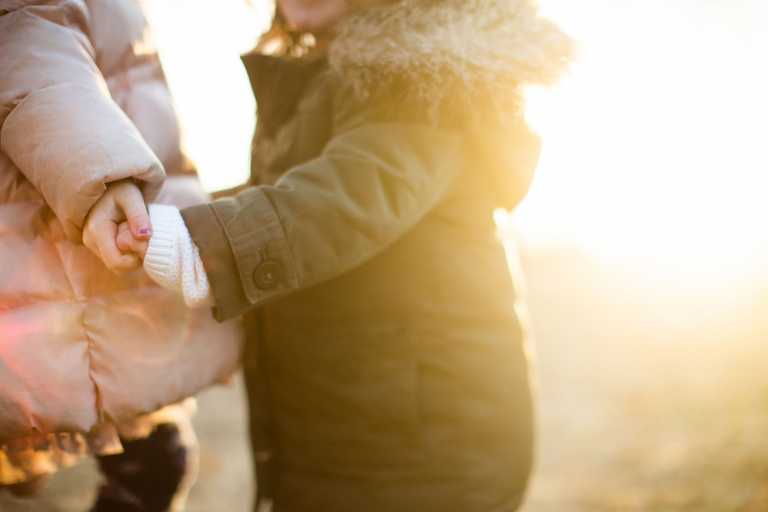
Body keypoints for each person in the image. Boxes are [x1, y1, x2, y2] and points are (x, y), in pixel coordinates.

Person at [113, 0, 574, 510]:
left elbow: (348, 194)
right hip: (354, 425)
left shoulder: (423, 75)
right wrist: (178, 217)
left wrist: (198, 243)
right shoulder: (333, 72)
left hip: (426, 449)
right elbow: (284, 191)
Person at [0, 0, 243, 510]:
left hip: (97, 271)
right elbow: (26, 43)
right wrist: (99, 174)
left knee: (155, 462)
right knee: (152, 461)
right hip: (72, 242)